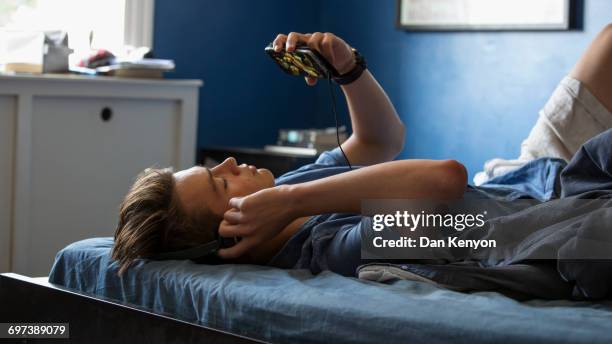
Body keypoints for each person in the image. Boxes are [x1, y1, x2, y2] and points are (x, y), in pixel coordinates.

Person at [112, 25, 612, 276]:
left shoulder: (291, 189)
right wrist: (292, 203)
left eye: (211, 167)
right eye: (219, 182)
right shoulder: (336, 248)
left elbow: (380, 142)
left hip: (524, 176)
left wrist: (348, 69)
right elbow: (445, 180)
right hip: (558, 204)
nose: (225, 164)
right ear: (237, 232)